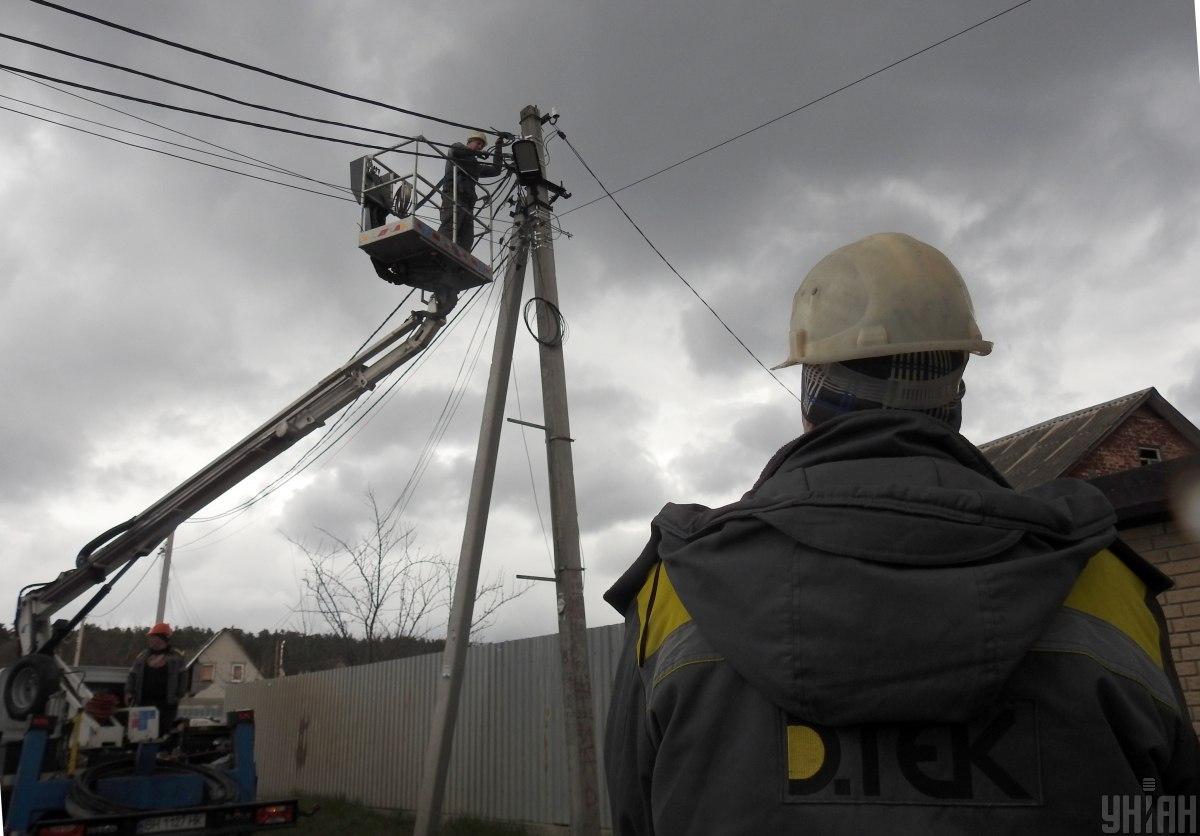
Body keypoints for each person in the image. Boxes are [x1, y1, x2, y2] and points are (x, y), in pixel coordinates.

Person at [603, 233, 1200, 835]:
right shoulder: (1102, 581)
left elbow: (635, 817)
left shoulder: (677, 589)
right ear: (956, 392)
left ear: (811, 388)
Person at [438, 130, 505, 252]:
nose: (480, 147)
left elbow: (496, 170)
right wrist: (477, 154)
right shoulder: (457, 150)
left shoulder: (475, 166)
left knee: (467, 239)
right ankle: (435, 252)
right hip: (453, 195)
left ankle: (460, 265)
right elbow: (455, 148)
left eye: (482, 145)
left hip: (468, 203)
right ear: (469, 141)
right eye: (478, 143)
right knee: (450, 227)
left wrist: (498, 147)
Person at [125, 622, 189, 735]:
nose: (150, 640)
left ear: (163, 639)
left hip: (166, 705)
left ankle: (160, 751)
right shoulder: (142, 656)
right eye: (150, 637)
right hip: (143, 703)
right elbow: (132, 675)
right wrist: (129, 692)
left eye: (153, 637)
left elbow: (183, 678)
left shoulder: (177, 657)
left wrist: (179, 695)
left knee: (162, 733)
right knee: (142, 734)